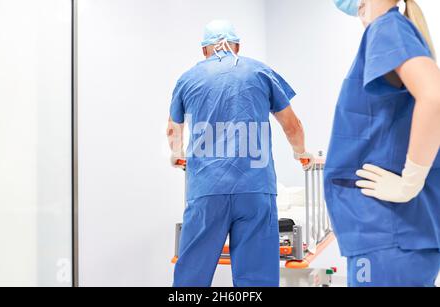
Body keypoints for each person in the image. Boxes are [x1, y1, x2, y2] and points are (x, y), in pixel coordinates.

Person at [167, 20, 313, 287]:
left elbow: (173, 131)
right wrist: (301, 154)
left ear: (204, 51)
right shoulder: (260, 72)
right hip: (255, 189)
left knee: (192, 278)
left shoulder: (187, 79)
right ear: (237, 47)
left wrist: (177, 156)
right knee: (256, 281)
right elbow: (293, 125)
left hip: (206, 190)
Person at [327, 0, 440, 287]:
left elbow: (435, 97)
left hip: (386, 236)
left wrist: (409, 183)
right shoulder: (393, 28)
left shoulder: (387, 27)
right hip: (391, 238)